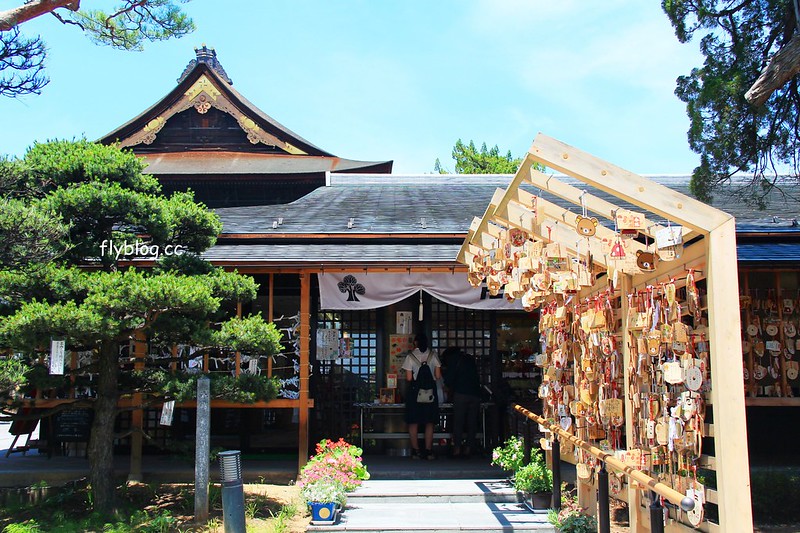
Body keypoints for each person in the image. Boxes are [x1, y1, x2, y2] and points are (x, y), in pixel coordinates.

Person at [402, 332, 442, 460]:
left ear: (415, 343)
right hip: (430, 392)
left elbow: (408, 378)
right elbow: (438, 376)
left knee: (413, 422)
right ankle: (429, 450)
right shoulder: (433, 355)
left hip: (415, 392)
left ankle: (416, 450)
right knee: (429, 422)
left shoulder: (411, 356)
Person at [443, 347, 482, 458]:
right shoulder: (469, 359)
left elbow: (449, 378)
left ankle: (457, 448)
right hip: (475, 393)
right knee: (472, 422)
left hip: (461, 394)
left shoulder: (453, 360)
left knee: (458, 422)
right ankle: (469, 447)